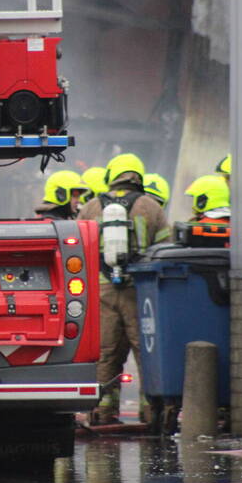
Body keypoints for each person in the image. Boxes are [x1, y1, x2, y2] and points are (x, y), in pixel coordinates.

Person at [77, 153, 169, 425]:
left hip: (101, 291)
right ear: (138, 176)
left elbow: (78, 250)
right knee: (146, 352)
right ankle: (152, 413)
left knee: (105, 353)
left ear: (111, 175)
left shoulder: (91, 207)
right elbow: (167, 250)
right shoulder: (151, 207)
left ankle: (102, 413)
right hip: (140, 292)